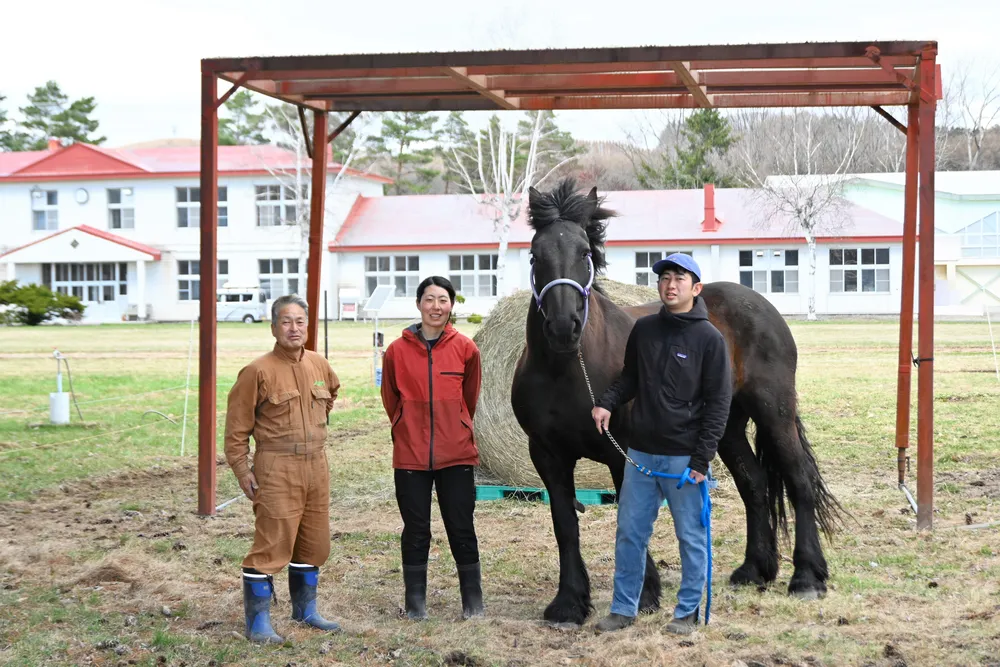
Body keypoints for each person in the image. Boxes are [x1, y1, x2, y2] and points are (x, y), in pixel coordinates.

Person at [591, 253, 732, 635]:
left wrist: (702, 461)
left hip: (685, 460)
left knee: (691, 536)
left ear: (695, 288)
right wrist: (606, 402)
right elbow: (630, 378)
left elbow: (719, 405)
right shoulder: (645, 330)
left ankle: (686, 613)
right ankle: (623, 608)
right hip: (640, 456)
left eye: (680, 279)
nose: (670, 285)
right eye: (665, 278)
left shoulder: (710, 340)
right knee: (630, 534)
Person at [224, 294, 343, 643]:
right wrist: (242, 471)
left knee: (314, 541)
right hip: (276, 466)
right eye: (286, 321)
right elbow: (236, 430)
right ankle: (257, 623)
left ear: (308, 325)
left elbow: (330, 395)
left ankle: (305, 610)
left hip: (316, 465)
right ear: (274, 326)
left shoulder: (319, 365)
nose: (294, 328)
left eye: (300, 322)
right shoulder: (257, 371)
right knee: (272, 544)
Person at [380, 276, 485, 621]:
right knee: (415, 529)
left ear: (451, 305)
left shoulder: (466, 348)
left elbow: (469, 398)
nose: (436, 306)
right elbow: (391, 398)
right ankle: (415, 603)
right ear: (418, 304)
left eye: (443, 300)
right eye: (429, 299)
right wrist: (404, 424)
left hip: (456, 453)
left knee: (461, 525)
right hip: (410, 453)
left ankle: (473, 603)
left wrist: (456, 425)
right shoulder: (396, 351)